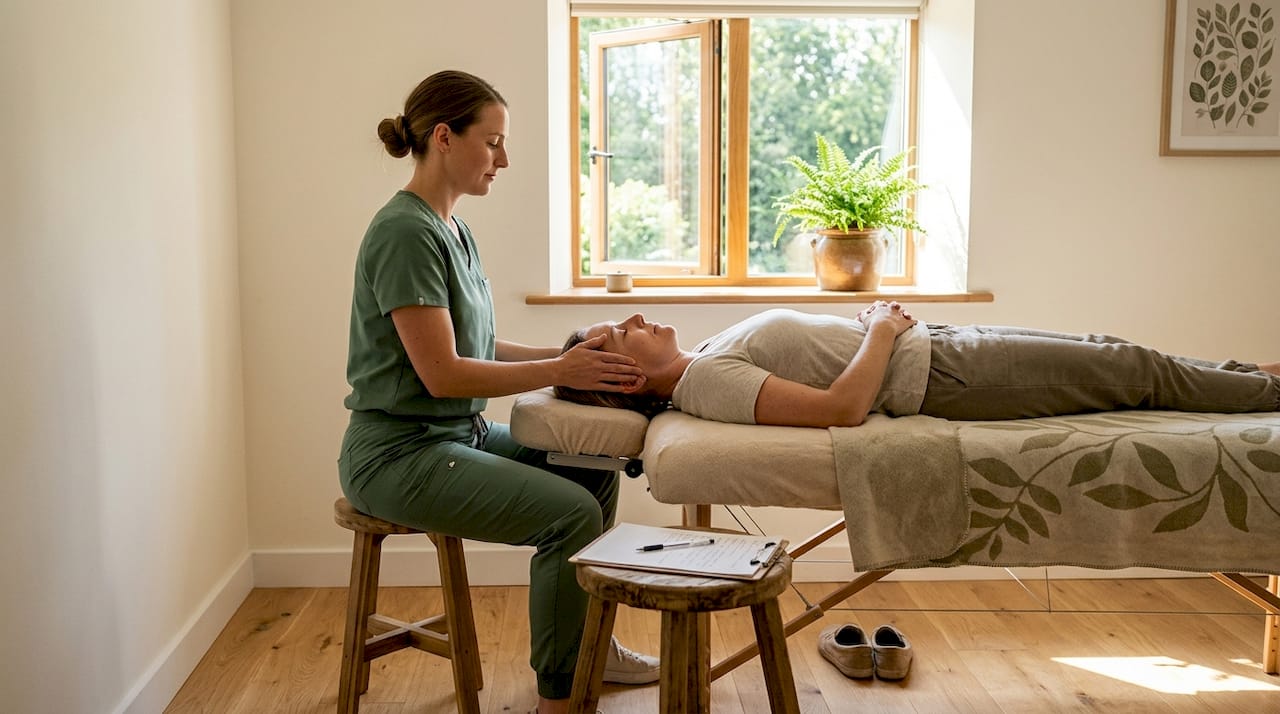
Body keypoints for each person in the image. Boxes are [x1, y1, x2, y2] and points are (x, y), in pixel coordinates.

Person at [338, 70, 657, 713]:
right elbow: (445, 374)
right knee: (570, 515)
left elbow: (478, 347)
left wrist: (572, 357)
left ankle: (587, 646)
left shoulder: (453, 228)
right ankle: (560, 694)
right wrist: (562, 371)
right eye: (493, 142)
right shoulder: (404, 232)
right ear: (444, 137)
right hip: (397, 454)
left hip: (460, 436)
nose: (503, 159)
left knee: (593, 469)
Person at [554, 303, 1280, 427]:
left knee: (1117, 354)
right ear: (626, 380)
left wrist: (879, 327)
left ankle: (1257, 378)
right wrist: (878, 331)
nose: (636, 320)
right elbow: (842, 410)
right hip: (950, 377)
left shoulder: (704, 358)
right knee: (1134, 371)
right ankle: (1268, 392)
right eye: (621, 334)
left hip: (945, 350)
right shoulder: (707, 383)